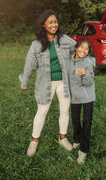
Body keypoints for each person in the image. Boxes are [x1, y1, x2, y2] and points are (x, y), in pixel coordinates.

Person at [19, 9, 76, 157]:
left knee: (64, 111)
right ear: (43, 25)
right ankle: (34, 140)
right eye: (50, 22)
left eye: (55, 22)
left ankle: (62, 138)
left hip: (64, 82)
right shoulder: (36, 45)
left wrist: (81, 63)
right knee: (41, 112)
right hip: (46, 84)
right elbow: (29, 66)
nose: (54, 24)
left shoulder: (64, 40)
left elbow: (79, 49)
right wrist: (24, 83)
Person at [69, 38, 96, 164]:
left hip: (87, 96)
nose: (83, 50)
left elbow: (89, 82)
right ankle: (77, 139)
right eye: (81, 47)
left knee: (87, 121)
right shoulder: (69, 60)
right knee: (75, 120)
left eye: (86, 49)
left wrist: (85, 74)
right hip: (74, 96)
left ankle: (83, 150)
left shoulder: (88, 62)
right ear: (76, 48)